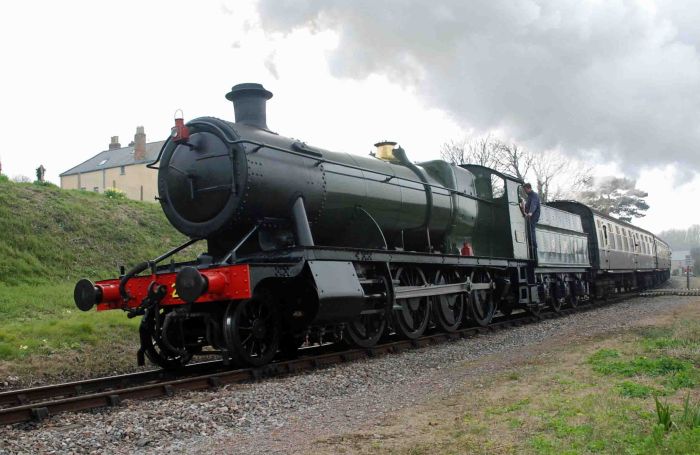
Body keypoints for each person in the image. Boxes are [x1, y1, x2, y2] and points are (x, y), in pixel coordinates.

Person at [523, 183, 540, 255]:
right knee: (528, 230)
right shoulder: (529, 196)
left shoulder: (534, 195)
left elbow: (534, 204)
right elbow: (527, 205)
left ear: (529, 188)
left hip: (534, 215)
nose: (525, 191)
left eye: (525, 189)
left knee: (531, 230)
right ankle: (530, 245)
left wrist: (530, 212)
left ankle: (534, 247)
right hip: (529, 216)